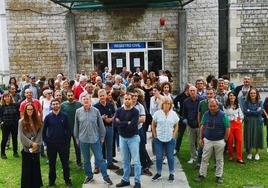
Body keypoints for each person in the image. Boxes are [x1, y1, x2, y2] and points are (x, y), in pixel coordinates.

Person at [74, 93, 113, 185]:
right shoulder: (78, 111)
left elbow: (101, 125)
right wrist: (76, 138)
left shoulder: (96, 111)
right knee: (86, 160)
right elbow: (76, 126)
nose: (86, 101)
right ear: (81, 101)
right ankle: (89, 176)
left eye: (87, 99)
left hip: (95, 139)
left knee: (100, 159)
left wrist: (102, 137)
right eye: (84, 100)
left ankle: (105, 177)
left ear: (90, 101)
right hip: (83, 140)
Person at [196, 99, 230, 184]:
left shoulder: (223, 115)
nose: (212, 108)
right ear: (208, 106)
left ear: (217, 106)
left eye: (214, 106)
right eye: (210, 106)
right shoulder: (206, 114)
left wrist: (224, 139)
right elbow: (202, 126)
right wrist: (201, 138)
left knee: (219, 159)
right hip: (207, 140)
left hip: (219, 140)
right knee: (204, 158)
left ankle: (218, 176)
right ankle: (202, 175)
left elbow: (227, 128)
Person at [42, 99, 72, 186]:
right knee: (52, 164)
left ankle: (67, 180)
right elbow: (43, 132)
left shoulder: (65, 116)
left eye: (57, 104)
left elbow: (69, 130)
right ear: (51, 106)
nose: (55, 105)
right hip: (51, 145)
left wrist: (66, 141)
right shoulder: (48, 117)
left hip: (63, 144)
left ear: (59, 105)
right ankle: (51, 181)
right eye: (53, 104)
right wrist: (47, 142)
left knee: (65, 164)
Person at [114, 94, 141, 188]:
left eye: (129, 99)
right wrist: (127, 123)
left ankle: (137, 182)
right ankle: (126, 180)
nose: (127, 100)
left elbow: (133, 126)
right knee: (125, 160)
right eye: (125, 99)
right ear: (123, 100)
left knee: (136, 161)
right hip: (122, 138)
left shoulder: (135, 112)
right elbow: (115, 123)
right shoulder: (119, 110)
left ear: (132, 100)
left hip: (133, 138)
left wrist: (121, 123)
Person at [151, 96, 179, 182]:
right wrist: (155, 134)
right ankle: (158, 173)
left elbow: (176, 125)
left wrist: (174, 135)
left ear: (170, 105)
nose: (166, 105)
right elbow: (153, 124)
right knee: (159, 157)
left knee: (170, 157)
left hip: (170, 138)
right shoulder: (157, 113)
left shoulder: (174, 114)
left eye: (168, 104)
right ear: (162, 104)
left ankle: (171, 173)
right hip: (159, 138)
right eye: (164, 103)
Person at [18, 102, 43, 188]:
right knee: (27, 169)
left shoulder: (38, 120)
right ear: (25, 110)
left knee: (35, 168)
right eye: (28, 109)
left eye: (31, 109)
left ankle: (36, 185)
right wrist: (31, 144)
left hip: (36, 149)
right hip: (26, 149)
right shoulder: (21, 121)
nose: (30, 111)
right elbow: (21, 136)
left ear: (34, 110)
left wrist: (36, 144)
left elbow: (40, 134)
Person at [94, 89, 119, 170]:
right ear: (98, 97)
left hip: (109, 127)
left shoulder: (110, 105)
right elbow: (93, 119)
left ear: (106, 96)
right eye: (100, 96)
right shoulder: (95, 107)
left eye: (103, 95)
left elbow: (115, 114)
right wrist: (101, 118)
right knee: (98, 147)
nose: (102, 97)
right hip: (99, 130)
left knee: (110, 146)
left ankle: (110, 163)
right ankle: (97, 166)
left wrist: (111, 119)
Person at [61, 90, 83, 168]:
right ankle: (66, 163)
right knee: (66, 147)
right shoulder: (63, 105)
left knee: (77, 147)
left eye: (71, 95)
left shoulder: (79, 104)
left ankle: (79, 163)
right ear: (66, 96)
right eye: (69, 95)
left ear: (74, 95)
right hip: (66, 130)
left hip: (76, 129)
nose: (70, 97)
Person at [183, 86, 204, 163]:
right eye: (191, 91)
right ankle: (193, 157)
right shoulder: (186, 101)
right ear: (189, 91)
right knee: (191, 142)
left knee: (200, 142)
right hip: (190, 125)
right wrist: (186, 121)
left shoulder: (202, 100)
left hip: (200, 125)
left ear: (196, 91)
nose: (192, 92)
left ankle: (201, 157)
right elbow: (184, 114)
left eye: (193, 90)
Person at [223, 91, 244, 164]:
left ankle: (239, 158)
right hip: (229, 124)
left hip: (238, 124)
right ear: (228, 97)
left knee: (239, 141)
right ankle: (231, 156)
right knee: (230, 141)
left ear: (235, 97)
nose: (232, 97)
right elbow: (225, 116)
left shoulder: (237, 105)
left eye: (233, 95)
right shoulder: (225, 106)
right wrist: (231, 118)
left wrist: (240, 120)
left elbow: (241, 115)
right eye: (230, 95)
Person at [243, 88, 264, 160]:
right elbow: (245, 112)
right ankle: (249, 152)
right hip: (248, 121)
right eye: (251, 93)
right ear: (249, 94)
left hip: (258, 121)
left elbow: (260, 112)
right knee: (249, 135)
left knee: (258, 135)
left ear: (257, 94)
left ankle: (257, 153)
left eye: (254, 93)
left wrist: (250, 111)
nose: (253, 94)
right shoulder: (246, 102)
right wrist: (255, 111)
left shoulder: (260, 102)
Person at [0, 91, 20, 159]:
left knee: (14, 139)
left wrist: (18, 121)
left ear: (10, 97)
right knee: (4, 139)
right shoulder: (1, 107)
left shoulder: (15, 105)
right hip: (5, 125)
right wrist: (1, 122)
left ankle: (15, 152)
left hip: (14, 124)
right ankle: (2, 153)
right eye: (5, 96)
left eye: (8, 96)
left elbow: (18, 114)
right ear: (3, 98)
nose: (7, 98)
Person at [173, 83, 191, 155]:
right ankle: (177, 149)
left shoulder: (191, 96)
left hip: (190, 117)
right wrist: (177, 108)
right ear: (187, 89)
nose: (191, 91)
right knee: (180, 134)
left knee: (193, 135)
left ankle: (194, 149)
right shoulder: (181, 96)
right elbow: (174, 101)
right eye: (190, 90)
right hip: (182, 116)